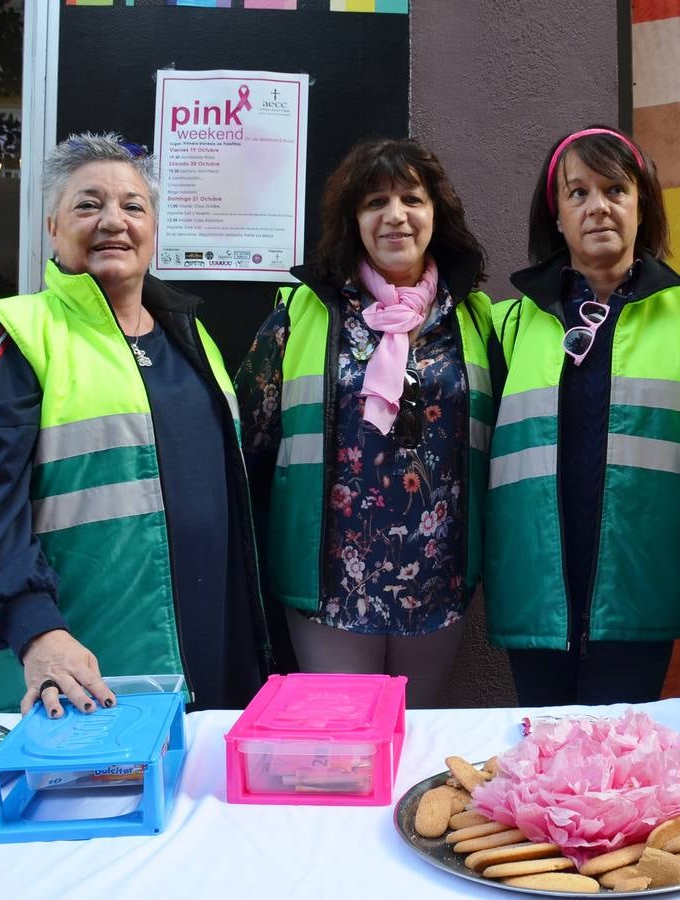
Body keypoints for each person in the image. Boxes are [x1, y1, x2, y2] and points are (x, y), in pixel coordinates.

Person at [0, 133, 269, 715]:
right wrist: (36, 630)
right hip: (76, 664)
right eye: (88, 204)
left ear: (153, 228)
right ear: (52, 227)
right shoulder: (16, 338)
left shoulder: (192, 337)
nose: (112, 221)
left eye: (133, 206)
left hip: (210, 653)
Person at [235, 139, 493, 708]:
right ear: (355, 220)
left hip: (437, 578)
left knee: (417, 733)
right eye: (376, 201)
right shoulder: (300, 312)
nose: (395, 215)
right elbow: (247, 441)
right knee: (344, 744)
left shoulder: (474, 317)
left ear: (434, 214)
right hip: (330, 583)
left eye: (411, 199)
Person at [484, 126, 680, 704]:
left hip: (640, 593)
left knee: (619, 777)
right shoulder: (504, 326)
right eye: (578, 193)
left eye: (616, 189)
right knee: (543, 765)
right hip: (534, 592)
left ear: (643, 205)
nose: (598, 207)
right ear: (557, 214)